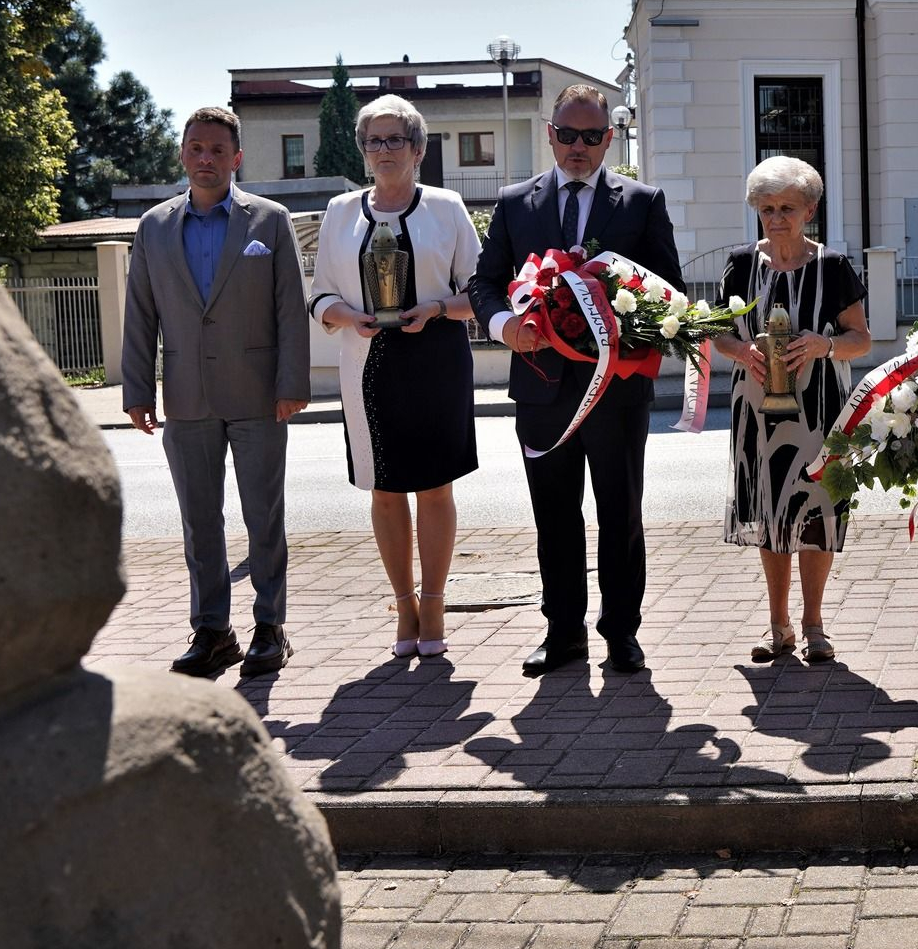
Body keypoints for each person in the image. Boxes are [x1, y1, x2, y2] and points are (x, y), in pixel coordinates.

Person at [469, 83, 683, 677]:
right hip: (540, 386)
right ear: (550, 134)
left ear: (609, 139)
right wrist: (505, 324)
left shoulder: (641, 202)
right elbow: (483, 285)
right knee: (554, 515)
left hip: (615, 390)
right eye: (568, 135)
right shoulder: (516, 203)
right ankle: (562, 633)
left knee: (621, 512)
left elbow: (670, 294)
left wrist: (627, 326)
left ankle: (622, 634)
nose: (579, 147)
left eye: (592, 137)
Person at [122, 106, 310, 677]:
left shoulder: (269, 221)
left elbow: (289, 311)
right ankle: (211, 632)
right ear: (183, 153)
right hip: (185, 397)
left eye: (217, 151)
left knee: (263, 517)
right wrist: (137, 388)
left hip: (259, 396)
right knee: (199, 521)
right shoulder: (154, 226)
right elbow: (140, 312)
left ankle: (270, 628)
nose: (206, 159)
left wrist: (291, 385)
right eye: (196, 148)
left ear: (236, 159)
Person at [308, 95, 482, 660]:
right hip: (368, 365)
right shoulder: (339, 212)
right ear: (363, 152)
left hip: (436, 361)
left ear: (419, 149)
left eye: (395, 140)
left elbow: (479, 292)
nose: (384, 150)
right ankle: (402, 605)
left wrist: (434, 309)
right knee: (385, 490)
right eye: (373, 141)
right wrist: (345, 316)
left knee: (435, 488)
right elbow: (321, 296)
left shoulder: (448, 207)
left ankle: (434, 605)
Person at [712, 157, 870, 663]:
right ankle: (778, 625)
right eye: (767, 209)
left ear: (810, 210)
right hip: (755, 409)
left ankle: (814, 624)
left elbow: (861, 340)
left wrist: (822, 345)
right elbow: (715, 334)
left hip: (820, 406)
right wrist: (741, 351)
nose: (776, 218)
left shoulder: (834, 267)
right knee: (769, 509)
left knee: (817, 510)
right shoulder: (740, 264)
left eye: (787, 208)